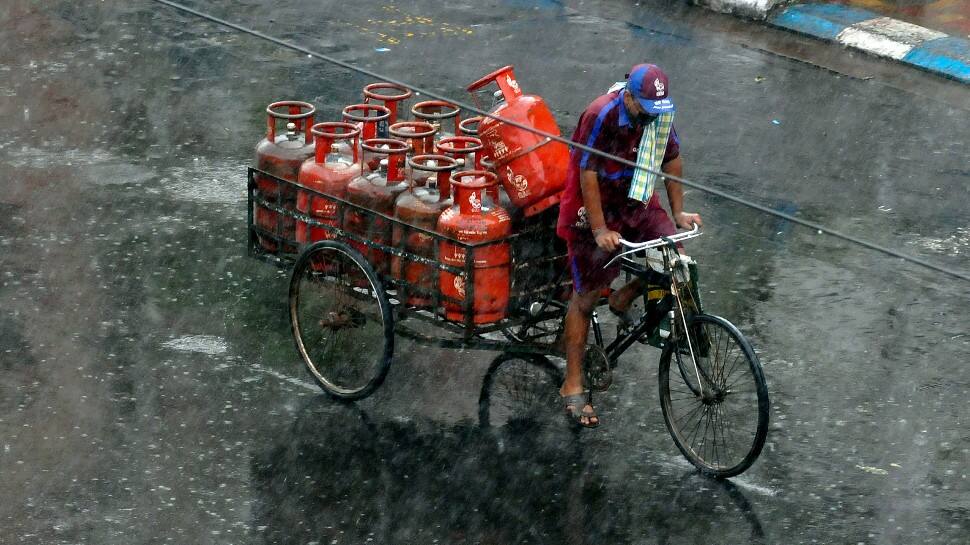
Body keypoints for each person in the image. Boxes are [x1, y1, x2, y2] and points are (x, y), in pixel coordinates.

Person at [555, 64, 703, 427]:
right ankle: (571, 383)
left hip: (635, 200)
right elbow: (586, 170)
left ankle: (623, 297)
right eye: (643, 110)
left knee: (675, 259)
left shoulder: (660, 113)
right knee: (587, 297)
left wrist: (679, 211)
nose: (647, 118)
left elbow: (671, 158)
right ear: (629, 95)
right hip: (594, 206)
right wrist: (600, 227)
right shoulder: (600, 114)